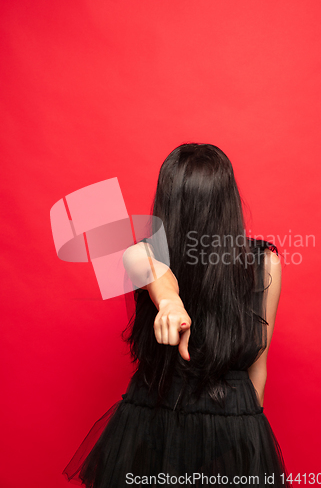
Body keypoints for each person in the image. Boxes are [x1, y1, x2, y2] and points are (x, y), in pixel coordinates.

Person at [62, 143, 290, 487]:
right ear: (229, 202)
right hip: (157, 425)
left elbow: (259, 365)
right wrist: (169, 301)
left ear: (167, 201)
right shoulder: (143, 254)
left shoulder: (264, 262)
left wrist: (248, 439)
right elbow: (149, 268)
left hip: (231, 425)